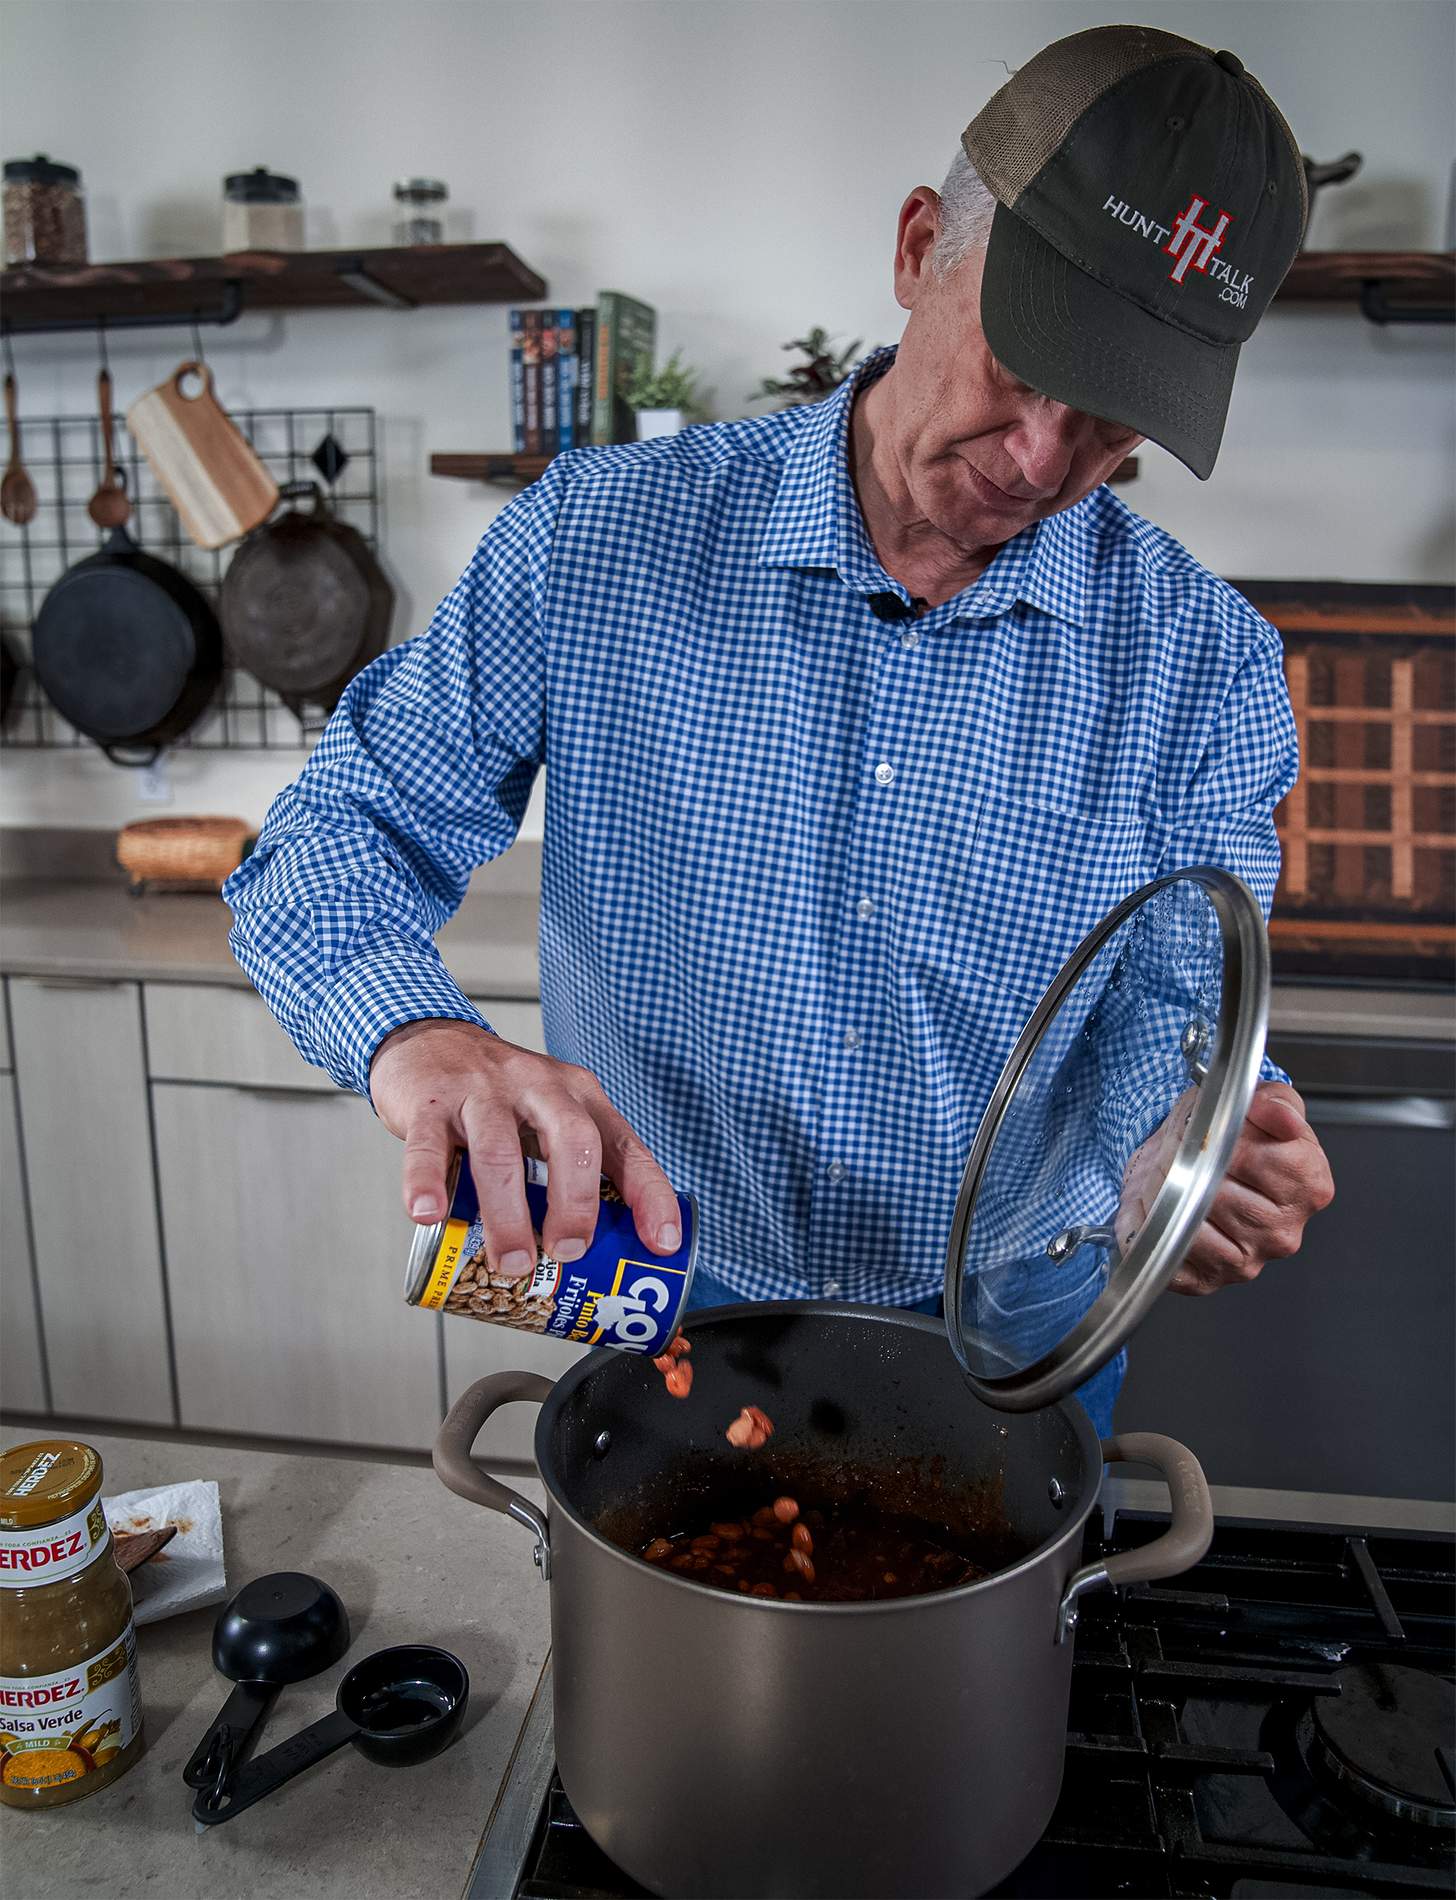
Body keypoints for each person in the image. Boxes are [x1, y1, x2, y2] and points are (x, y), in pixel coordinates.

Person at [226, 24, 1333, 1433]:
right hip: (655, 1281)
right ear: (919, 246)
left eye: (1115, 423)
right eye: (1022, 366)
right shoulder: (595, 541)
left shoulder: (1211, 664)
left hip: (1011, 1316)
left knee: (992, 1658)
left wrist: (1180, 1146)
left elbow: (1176, 1012)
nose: (1044, 460)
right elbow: (333, 842)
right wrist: (419, 1037)